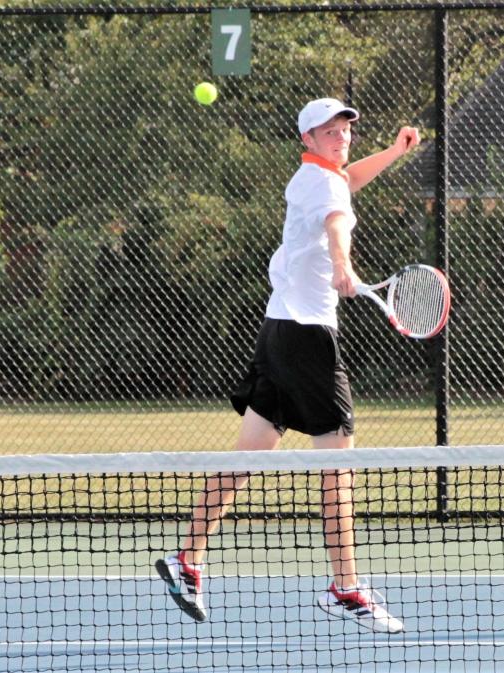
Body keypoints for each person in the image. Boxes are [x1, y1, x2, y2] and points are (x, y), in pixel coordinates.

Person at [156, 98, 419, 634]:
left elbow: (344, 185)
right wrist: (343, 266)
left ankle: (188, 560)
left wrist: (392, 152)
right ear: (309, 138)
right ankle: (346, 587)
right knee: (338, 462)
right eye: (329, 130)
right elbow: (337, 218)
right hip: (307, 338)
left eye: (346, 126)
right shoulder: (322, 188)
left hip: (277, 331)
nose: (342, 135)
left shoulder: (313, 176)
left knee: (246, 458)